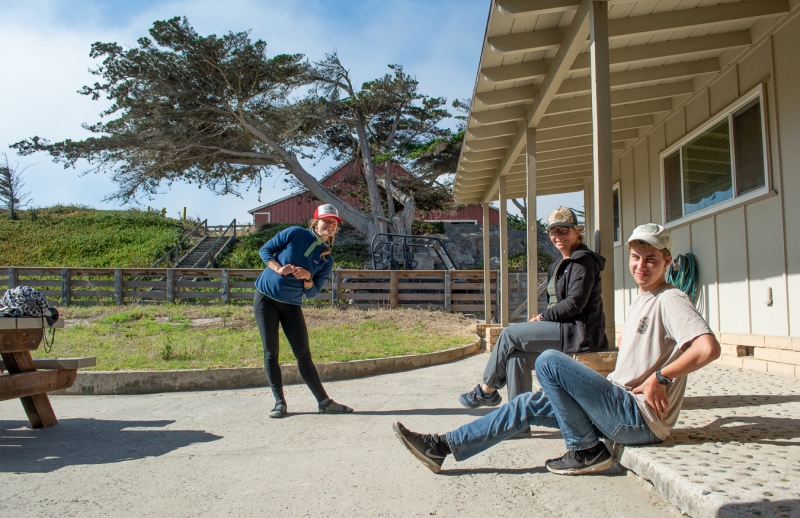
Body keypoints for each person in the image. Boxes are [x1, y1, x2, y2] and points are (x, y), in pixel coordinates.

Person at [394, 223, 721, 475]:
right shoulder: (643, 298)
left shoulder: (671, 298)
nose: (641, 266)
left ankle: (585, 450)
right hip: (616, 406)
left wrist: (660, 378)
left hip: (638, 418)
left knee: (550, 360)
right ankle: (442, 447)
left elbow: (708, 348)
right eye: (636, 258)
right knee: (524, 405)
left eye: (651, 260)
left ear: (667, 261)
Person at [460, 207, 608, 422]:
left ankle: (487, 390)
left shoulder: (583, 261)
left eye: (564, 230)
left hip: (578, 331)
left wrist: (544, 317)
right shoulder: (558, 265)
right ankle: (519, 420)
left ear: (577, 231)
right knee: (516, 358)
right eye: (553, 232)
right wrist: (545, 316)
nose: (558, 236)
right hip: (562, 328)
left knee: (510, 335)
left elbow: (575, 303)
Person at [254, 204, 353, 418]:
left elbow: (312, 293)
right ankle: (279, 403)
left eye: (334, 222)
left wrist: (308, 277)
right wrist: (278, 268)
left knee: (304, 355)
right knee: (271, 353)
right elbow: (264, 250)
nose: (330, 225)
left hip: (291, 306)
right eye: (326, 220)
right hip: (266, 299)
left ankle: (324, 402)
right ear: (315, 222)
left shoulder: (327, 259)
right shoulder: (294, 233)